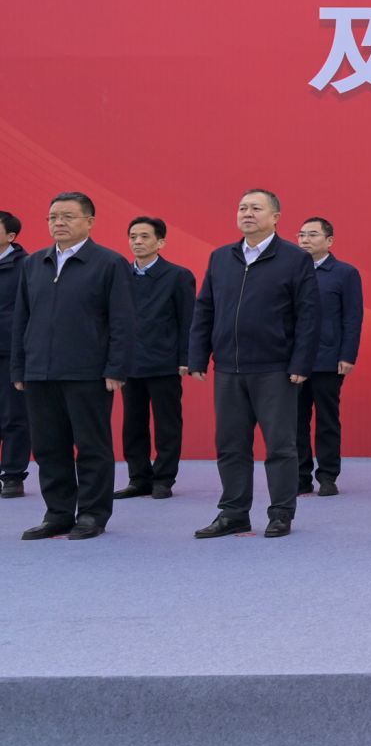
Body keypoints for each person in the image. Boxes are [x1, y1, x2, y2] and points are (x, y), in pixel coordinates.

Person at [187, 188, 318, 539]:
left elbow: (308, 315)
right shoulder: (221, 257)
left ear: (275, 217)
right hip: (228, 368)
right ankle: (233, 513)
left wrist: (300, 362)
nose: (247, 213)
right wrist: (197, 356)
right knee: (230, 445)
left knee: (280, 445)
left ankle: (280, 513)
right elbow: (205, 309)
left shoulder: (294, 258)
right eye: (242, 207)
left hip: (275, 368)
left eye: (256, 208)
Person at [11, 192, 134, 540]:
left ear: (89, 222)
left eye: (67, 216)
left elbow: (123, 322)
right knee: (49, 447)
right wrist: (19, 368)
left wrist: (116, 368)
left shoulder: (109, 263)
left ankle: (93, 514)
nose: (58, 223)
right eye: (52, 217)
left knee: (92, 446)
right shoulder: (34, 264)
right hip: (40, 373)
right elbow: (22, 320)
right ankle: (59, 513)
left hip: (88, 373)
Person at [114, 216, 193, 501]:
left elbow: (188, 321)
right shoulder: (119, 274)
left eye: (145, 236)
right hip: (129, 363)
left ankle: (163, 478)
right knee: (132, 424)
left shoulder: (178, 275)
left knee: (167, 424)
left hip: (165, 363)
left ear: (161, 242)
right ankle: (138, 478)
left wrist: (187, 358)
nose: (137, 242)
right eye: (133, 236)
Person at [294, 216, 362, 498]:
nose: (305, 240)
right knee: (294, 421)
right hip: (294, 360)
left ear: (329, 241)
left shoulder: (344, 273)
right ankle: (299, 476)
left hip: (328, 359)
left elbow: (352, 317)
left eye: (312, 235)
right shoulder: (289, 270)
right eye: (301, 235)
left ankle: (328, 475)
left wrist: (347, 355)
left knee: (327, 420)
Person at [0, 211, 28, 500]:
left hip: (11, 349)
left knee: (14, 415)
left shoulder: (28, 266)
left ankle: (12, 475)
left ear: (10, 236)